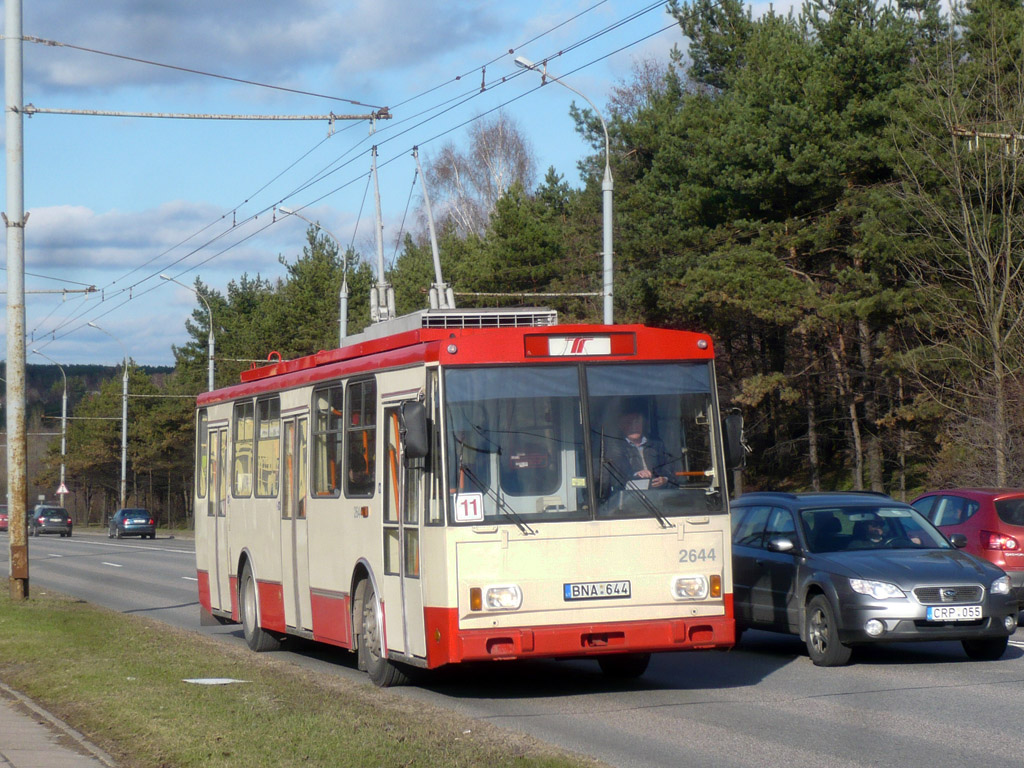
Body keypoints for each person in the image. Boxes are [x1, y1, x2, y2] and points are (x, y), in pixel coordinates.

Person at [605, 409, 670, 489]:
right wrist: (636, 474)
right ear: (621, 426)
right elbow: (616, 476)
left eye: (637, 422)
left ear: (643, 424)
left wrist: (665, 479)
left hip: (659, 494)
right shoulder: (615, 447)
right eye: (629, 423)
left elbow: (669, 467)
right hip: (631, 495)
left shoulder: (656, 444)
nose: (634, 427)